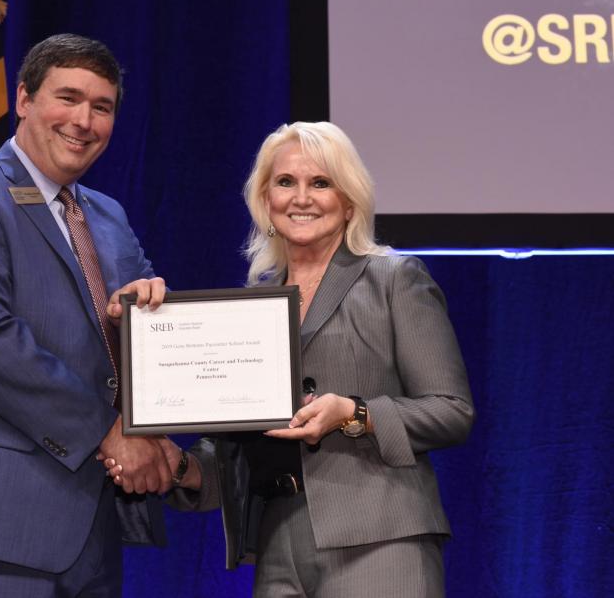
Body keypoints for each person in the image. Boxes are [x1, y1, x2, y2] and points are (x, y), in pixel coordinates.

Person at [106, 121, 475, 597]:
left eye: (321, 183)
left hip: (380, 538)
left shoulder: (394, 278)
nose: (302, 197)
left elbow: (451, 410)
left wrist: (354, 414)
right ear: (265, 201)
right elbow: (236, 447)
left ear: (348, 201)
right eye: (286, 182)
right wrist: (178, 465)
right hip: (278, 542)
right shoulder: (254, 303)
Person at [0, 34, 174, 598]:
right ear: (23, 98)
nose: (84, 120)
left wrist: (147, 321)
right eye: (67, 98)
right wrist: (111, 433)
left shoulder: (108, 215)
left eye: (102, 107)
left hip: (93, 522)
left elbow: (133, 342)